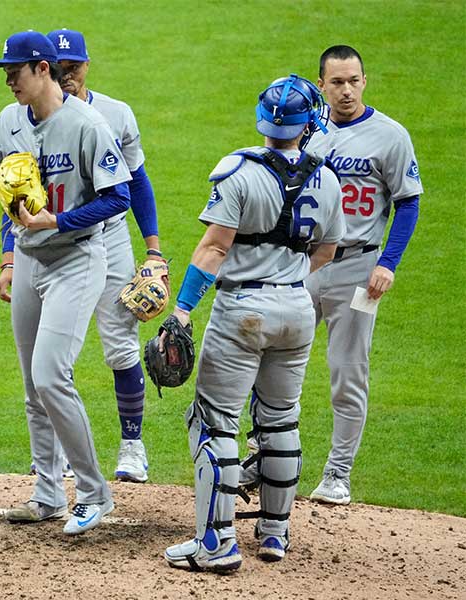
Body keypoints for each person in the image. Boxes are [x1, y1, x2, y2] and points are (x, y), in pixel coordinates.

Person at [0, 31, 132, 535]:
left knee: (51, 375)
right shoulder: (9, 120)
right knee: (34, 385)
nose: (8, 80)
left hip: (77, 259)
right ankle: (48, 494)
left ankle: (95, 493)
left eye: (15, 71)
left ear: (42, 69)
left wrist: (57, 220)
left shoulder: (87, 125)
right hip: (32, 260)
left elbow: (118, 196)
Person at [161, 75, 344, 571]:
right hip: (298, 310)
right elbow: (327, 251)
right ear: (308, 123)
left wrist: (182, 310)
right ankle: (275, 533)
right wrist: (286, 278)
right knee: (280, 419)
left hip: (242, 311)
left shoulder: (239, 172)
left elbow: (214, 249)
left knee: (215, 422)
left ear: (263, 120)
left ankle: (216, 544)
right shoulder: (327, 179)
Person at [0, 28, 164, 483]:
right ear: (48, 66)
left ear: (87, 66)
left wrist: (154, 251)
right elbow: (16, 195)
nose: (68, 75)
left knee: (119, 342)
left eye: (75, 67)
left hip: (107, 238)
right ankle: (56, 457)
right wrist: (10, 257)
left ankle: (132, 446)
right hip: (45, 242)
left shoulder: (112, 115)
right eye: (62, 67)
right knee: (46, 363)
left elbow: (136, 185)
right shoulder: (21, 118)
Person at [302, 45, 423, 505]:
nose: (347, 90)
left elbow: (408, 202)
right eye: (337, 82)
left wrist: (387, 263)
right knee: (274, 360)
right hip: (304, 263)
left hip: (358, 268)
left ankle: (338, 473)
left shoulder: (390, 136)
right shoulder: (306, 131)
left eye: (354, 81)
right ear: (322, 85)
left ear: (364, 81)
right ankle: (266, 457)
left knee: (348, 371)